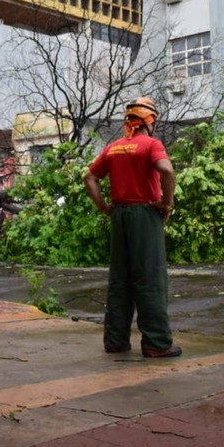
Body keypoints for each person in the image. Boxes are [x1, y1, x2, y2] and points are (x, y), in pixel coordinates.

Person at [84, 96, 181, 358]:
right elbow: (167, 171)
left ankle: (115, 341)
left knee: (120, 279)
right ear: (149, 121)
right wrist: (167, 203)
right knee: (149, 277)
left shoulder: (113, 148)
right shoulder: (151, 144)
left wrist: (105, 207)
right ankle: (157, 343)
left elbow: (90, 178)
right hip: (145, 214)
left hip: (120, 217)